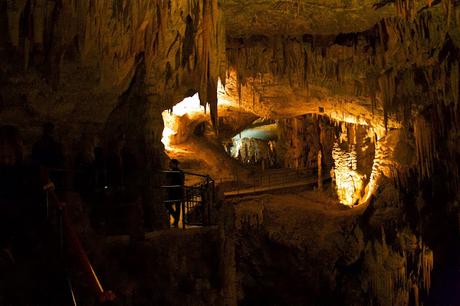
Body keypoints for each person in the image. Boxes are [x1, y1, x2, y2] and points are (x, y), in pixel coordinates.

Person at [31, 122, 64, 191]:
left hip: (41, 173)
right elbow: (60, 161)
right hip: (52, 174)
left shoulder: (37, 144)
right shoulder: (56, 145)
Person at [166, 159, 184, 227]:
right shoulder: (181, 172)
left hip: (174, 191)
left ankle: (176, 219)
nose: (169, 165)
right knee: (178, 206)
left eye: (170, 163)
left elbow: (167, 176)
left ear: (174, 164)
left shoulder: (173, 171)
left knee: (167, 204)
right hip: (179, 191)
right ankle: (176, 221)